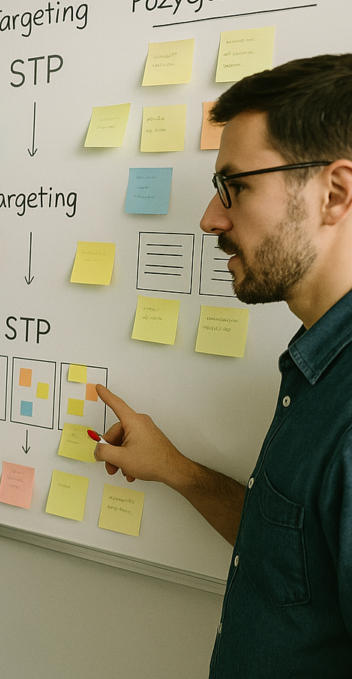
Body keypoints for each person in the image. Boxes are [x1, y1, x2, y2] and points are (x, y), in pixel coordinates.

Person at [94, 53, 352, 677]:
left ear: (335, 194)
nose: (210, 218)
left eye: (235, 187)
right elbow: (297, 555)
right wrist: (179, 471)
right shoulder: (316, 367)